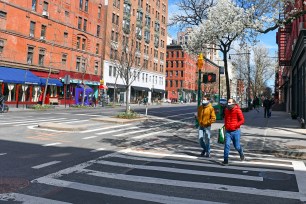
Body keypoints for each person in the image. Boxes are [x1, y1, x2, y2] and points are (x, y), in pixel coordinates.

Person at [222, 98, 245, 165]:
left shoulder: (238, 110)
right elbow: (226, 118)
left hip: (236, 131)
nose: (228, 103)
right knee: (227, 145)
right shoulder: (226, 110)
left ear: (233, 103)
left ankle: (241, 153)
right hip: (228, 131)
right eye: (228, 102)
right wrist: (225, 126)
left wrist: (236, 125)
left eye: (230, 102)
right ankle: (225, 160)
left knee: (237, 146)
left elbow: (242, 120)